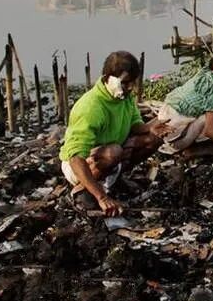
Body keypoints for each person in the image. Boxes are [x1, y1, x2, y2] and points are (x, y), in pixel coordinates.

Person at [59, 51, 168, 216]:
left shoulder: (124, 98)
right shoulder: (91, 107)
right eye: (125, 83)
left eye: (132, 83)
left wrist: (150, 127)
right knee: (113, 152)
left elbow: (134, 125)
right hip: (79, 166)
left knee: (152, 139)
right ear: (107, 78)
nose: (130, 88)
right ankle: (82, 190)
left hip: (110, 154)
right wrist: (102, 197)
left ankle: (114, 179)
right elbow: (75, 158)